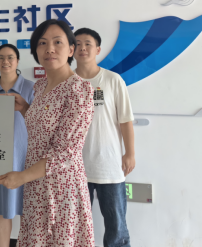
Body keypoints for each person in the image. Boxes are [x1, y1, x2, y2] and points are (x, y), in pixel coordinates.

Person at [0, 19, 95, 247]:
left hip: (62, 188)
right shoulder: (39, 86)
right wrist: (24, 109)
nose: (49, 49)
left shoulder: (80, 89)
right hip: (36, 185)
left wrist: (20, 177)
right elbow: (43, 130)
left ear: (71, 49)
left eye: (57, 42)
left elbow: (66, 152)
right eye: (42, 43)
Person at [74, 28, 135, 247]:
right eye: (77, 44)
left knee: (116, 227)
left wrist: (130, 153)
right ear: (71, 50)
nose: (82, 48)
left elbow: (125, 120)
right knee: (75, 226)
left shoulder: (112, 80)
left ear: (98, 49)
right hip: (75, 167)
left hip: (109, 165)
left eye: (88, 44)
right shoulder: (66, 82)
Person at [0, 44, 34, 247]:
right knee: (3, 209)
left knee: (28, 209)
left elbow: (40, 123)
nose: (6, 61)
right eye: (1, 57)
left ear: (18, 61)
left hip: (26, 158)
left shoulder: (31, 88)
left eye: (10, 57)